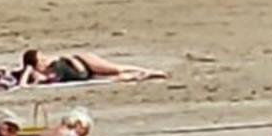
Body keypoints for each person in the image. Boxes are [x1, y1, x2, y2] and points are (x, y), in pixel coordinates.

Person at [19, 47, 164, 85]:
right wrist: (28, 71)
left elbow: (71, 60)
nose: (44, 59)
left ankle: (148, 70)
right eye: (41, 59)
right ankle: (148, 75)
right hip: (82, 72)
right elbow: (23, 85)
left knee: (115, 69)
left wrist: (78, 66)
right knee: (118, 77)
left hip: (82, 62)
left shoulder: (53, 63)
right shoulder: (40, 75)